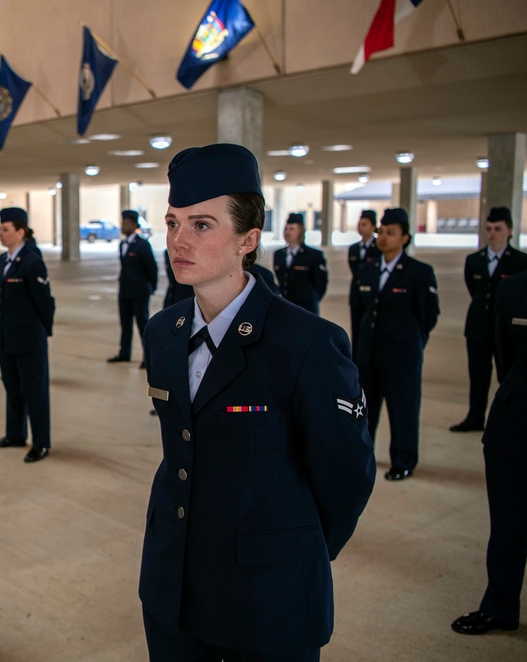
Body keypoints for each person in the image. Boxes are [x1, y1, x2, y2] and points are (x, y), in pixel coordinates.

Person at [141, 143, 376, 661]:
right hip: (173, 589)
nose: (178, 240)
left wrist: (293, 553)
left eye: (201, 225)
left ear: (248, 239)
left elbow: (346, 475)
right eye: (172, 221)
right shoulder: (163, 333)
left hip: (268, 598)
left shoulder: (308, 344)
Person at [451, 270, 527, 637]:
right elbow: (505, 357)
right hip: (516, 424)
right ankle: (500, 606)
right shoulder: (514, 289)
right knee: (507, 526)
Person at [354, 208, 439, 481]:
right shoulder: (367, 270)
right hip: (369, 354)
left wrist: (413, 342)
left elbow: (428, 315)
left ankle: (403, 460)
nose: (383, 237)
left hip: (402, 355)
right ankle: (360, 457)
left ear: (405, 238)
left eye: (391, 233)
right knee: (364, 412)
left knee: (403, 410)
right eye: (381, 232)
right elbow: (359, 312)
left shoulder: (419, 273)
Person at [0, 208, 56, 463]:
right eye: (0, 229)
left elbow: (45, 303)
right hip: (6, 338)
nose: (0, 233)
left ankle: (41, 442)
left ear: (20, 232)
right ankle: (15, 434)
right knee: (12, 387)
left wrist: (42, 332)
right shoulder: (2, 262)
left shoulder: (32, 261)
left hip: (29, 339)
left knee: (34, 391)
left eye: (5, 229)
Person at [451, 206, 527, 433]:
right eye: (489, 229)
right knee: (478, 376)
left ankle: (510, 419)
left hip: (507, 329)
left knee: (509, 375)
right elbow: (474, 290)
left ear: (510, 230)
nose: (492, 233)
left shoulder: (521, 261)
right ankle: (475, 417)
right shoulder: (474, 260)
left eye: (498, 229)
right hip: (477, 328)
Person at [108, 209, 157, 367]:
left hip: (139, 291)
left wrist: (151, 287)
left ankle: (147, 357)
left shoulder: (142, 245)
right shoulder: (123, 244)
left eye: (127, 223)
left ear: (135, 225)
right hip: (125, 291)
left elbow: (152, 268)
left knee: (143, 324)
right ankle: (124, 353)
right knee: (125, 323)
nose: (123, 226)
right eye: (122, 223)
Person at [273, 213, 328, 314]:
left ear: (300, 231)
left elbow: (321, 284)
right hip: (286, 305)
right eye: (286, 229)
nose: (287, 232)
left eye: (292, 229)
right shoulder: (279, 254)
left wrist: (311, 299)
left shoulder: (313, 255)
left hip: (306, 308)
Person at [347, 210, 381, 358]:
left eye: (365, 224)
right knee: (356, 330)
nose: (360, 227)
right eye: (359, 224)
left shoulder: (379, 248)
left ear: (374, 227)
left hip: (372, 296)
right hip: (356, 296)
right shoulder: (353, 249)